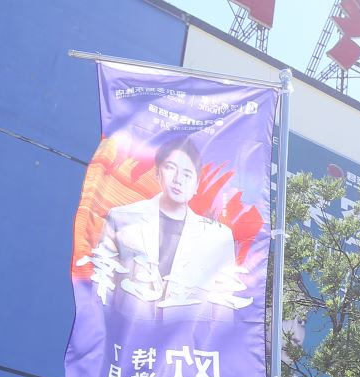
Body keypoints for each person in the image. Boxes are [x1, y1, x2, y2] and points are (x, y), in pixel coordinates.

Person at [85, 133, 249, 318]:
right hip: (127, 330)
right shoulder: (122, 217)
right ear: (157, 172)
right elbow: (102, 284)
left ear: (196, 185)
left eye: (187, 174)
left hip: (186, 334)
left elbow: (223, 305)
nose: (178, 179)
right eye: (171, 168)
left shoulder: (218, 237)